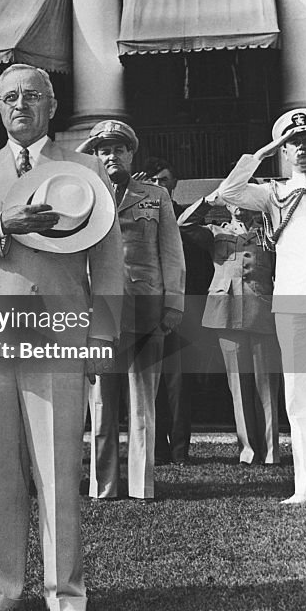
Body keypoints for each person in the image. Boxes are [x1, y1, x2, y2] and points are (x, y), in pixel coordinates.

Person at [0, 64, 123, 611]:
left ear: (52, 104)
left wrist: (103, 337)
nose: (21, 105)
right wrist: (1, 222)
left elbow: (108, 263)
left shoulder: (85, 170)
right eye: (10, 97)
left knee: (59, 461)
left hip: (60, 330)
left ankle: (67, 595)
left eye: (33, 96)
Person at [216, 109, 306, 504]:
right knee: (299, 392)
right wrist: (263, 151)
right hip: (291, 300)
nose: (301, 147)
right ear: (284, 152)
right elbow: (229, 192)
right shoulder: (273, 192)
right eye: (293, 142)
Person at [82, 122, 186, 501]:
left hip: (146, 306)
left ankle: (143, 485)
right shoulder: (84, 195)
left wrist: (173, 301)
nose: (112, 156)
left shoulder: (155, 196)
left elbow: (172, 254)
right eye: (103, 150)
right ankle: (103, 484)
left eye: (119, 149)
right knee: (101, 402)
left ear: (131, 153)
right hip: (100, 309)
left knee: (143, 400)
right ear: (94, 154)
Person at [177, 198, 280, 465]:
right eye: (235, 199)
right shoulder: (216, 231)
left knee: (266, 384)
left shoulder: (270, 231)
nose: (240, 205)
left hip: (262, 309)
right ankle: (249, 451)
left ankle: (271, 452)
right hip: (226, 312)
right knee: (238, 384)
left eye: (246, 197)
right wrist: (211, 199)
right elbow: (184, 224)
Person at [135, 157, 213, 465]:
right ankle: (158, 449)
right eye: (152, 181)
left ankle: (180, 450)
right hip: (144, 308)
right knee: (148, 384)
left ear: (175, 184)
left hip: (181, 311)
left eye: (163, 180)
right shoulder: (137, 215)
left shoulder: (188, 219)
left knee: (179, 384)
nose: (158, 186)